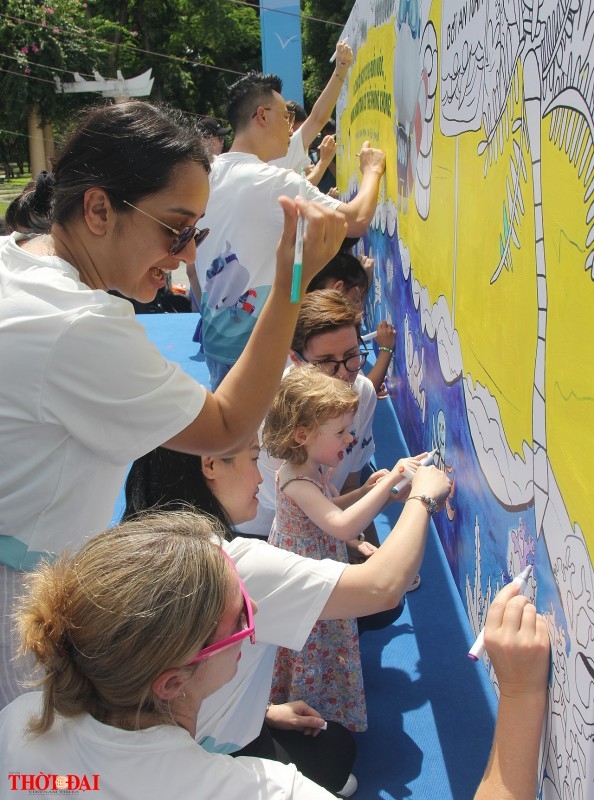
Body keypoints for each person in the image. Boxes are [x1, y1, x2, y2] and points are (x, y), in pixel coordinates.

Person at [0, 100, 347, 709]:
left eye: (197, 233)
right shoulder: (78, 323)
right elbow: (228, 425)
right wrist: (293, 280)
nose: (188, 255)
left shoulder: (17, 260)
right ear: (99, 209)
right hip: (19, 608)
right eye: (175, 228)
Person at [0, 514, 551, 800]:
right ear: (170, 683)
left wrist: (261, 712)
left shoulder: (16, 723)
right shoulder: (257, 790)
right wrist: (523, 695)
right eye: (239, 616)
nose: (255, 608)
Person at [124, 441, 357, 796]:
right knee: (336, 750)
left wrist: (262, 710)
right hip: (212, 751)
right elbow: (384, 588)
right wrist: (422, 499)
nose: (261, 476)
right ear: (210, 464)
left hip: (179, 743)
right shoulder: (236, 564)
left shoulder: (122, 550)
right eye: (253, 459)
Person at [193, 69, 386, 390]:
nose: (291, 124)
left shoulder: (208, 172)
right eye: (286, 116)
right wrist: (373, 170)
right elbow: (356, 219)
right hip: (261, 350)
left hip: (217, 342)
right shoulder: (271, 181)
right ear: (262, 115)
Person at [263, 366, 425, 730]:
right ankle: (312, 716)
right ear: (302, 434)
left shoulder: (314, 468)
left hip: (320, 568)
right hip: (306, 580)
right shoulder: (295, 478)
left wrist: (371, 490)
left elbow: (332, 510)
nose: (350, 439)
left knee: (324, 642)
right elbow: (342, 525)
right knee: (311, 648)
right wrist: (390, 482)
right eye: (340, 432)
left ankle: (325, 704)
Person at [270, 40, 353, 177]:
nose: (290, 130)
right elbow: (317, 119)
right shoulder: (277, 154)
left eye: (290, 119)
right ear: (262, 116)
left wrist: (341, 70)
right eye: (285, 118)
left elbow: (318, 119)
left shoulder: (225, 168)